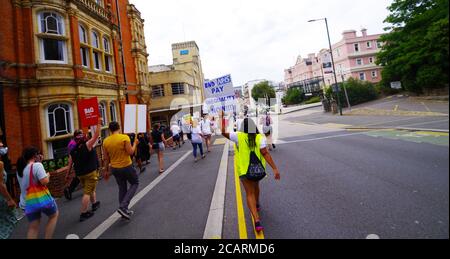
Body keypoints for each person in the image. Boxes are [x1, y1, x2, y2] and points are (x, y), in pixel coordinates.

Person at [220, 111, 280, 232]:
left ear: (243, 128)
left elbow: (223, 132)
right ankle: (257, 204)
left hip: (244, 171)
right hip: (257, 170)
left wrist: (222, 118)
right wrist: (274, 168)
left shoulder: (238, 136)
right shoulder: (259, 138)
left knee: (249, 193)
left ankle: (257, 221)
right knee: (256, 186)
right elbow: (265, 154)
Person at [16, 147, 59, 239]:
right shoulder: (37, 166)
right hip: (41, 199)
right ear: (35, 155)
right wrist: (47, 175)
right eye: (38, 153)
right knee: (53, 216)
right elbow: (44, 181)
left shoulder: (20, 169)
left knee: (33, 227)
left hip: (27, 203)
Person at [102, 122, 139, 220]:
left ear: (110, 130)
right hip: (126, 165)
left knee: (122, 187)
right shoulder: (124, 138)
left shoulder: (105, 141)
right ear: (119, 127)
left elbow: (106, 158)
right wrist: (135, 144)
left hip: (114, 168)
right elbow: (130, 152)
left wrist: (106, 171)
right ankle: (123, 206)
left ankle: (124, 210)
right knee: (135, 183)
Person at [67, 118, 102, 222]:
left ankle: (94, 203)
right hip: (90, 173)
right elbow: (96, 136)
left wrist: (67, 174)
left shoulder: (72, 149)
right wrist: (99, 123)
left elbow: (70, 162)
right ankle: (83, 212)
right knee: (87, 192)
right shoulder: (86, 145)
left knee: (89, 189)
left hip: (80, 174)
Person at [0, 144, 18, 239]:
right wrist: (9, 199)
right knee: (10, 219)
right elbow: (1, 185)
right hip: (1, 198)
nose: (3, 146)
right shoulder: (0, 164)